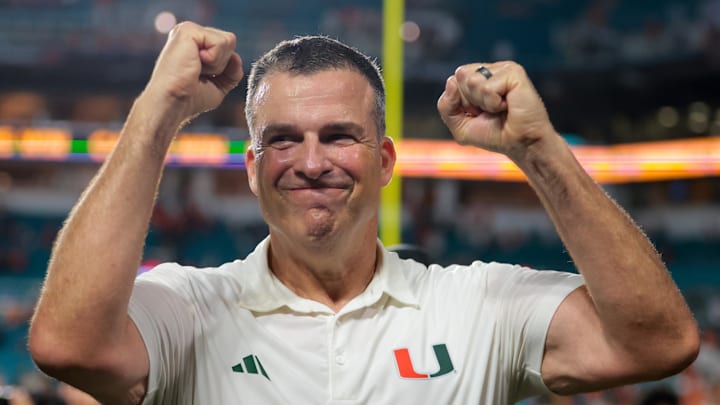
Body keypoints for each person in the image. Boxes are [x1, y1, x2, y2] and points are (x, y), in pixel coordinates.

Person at [28, 22, 699, 405]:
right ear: (254, 166)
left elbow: (656, 342)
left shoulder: (476, 305)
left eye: (339, 136)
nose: (311, 160)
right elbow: (68, 344)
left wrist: (538, 149)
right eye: (283, 138)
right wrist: (156, 112)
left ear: (383, 160)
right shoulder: (190, 305)